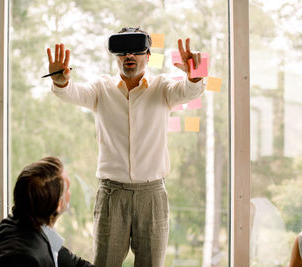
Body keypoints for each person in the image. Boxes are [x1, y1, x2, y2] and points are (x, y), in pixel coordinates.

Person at [46, 26, 205, 267]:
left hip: (152, 195)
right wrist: (60, 82)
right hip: (112, 194)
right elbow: (72, 93)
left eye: (136, 50)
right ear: (115, 56)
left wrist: (195, 72)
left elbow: (191, 90)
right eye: (122, 52)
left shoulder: (162, 87)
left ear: (148, 56)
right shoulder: (102, 88)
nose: (129, 56)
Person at [0, 156, 94, 267]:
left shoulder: (24, 224)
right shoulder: (24, 259)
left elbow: (74, 263)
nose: (70, 193)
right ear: (58, 204)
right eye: (67, 188)